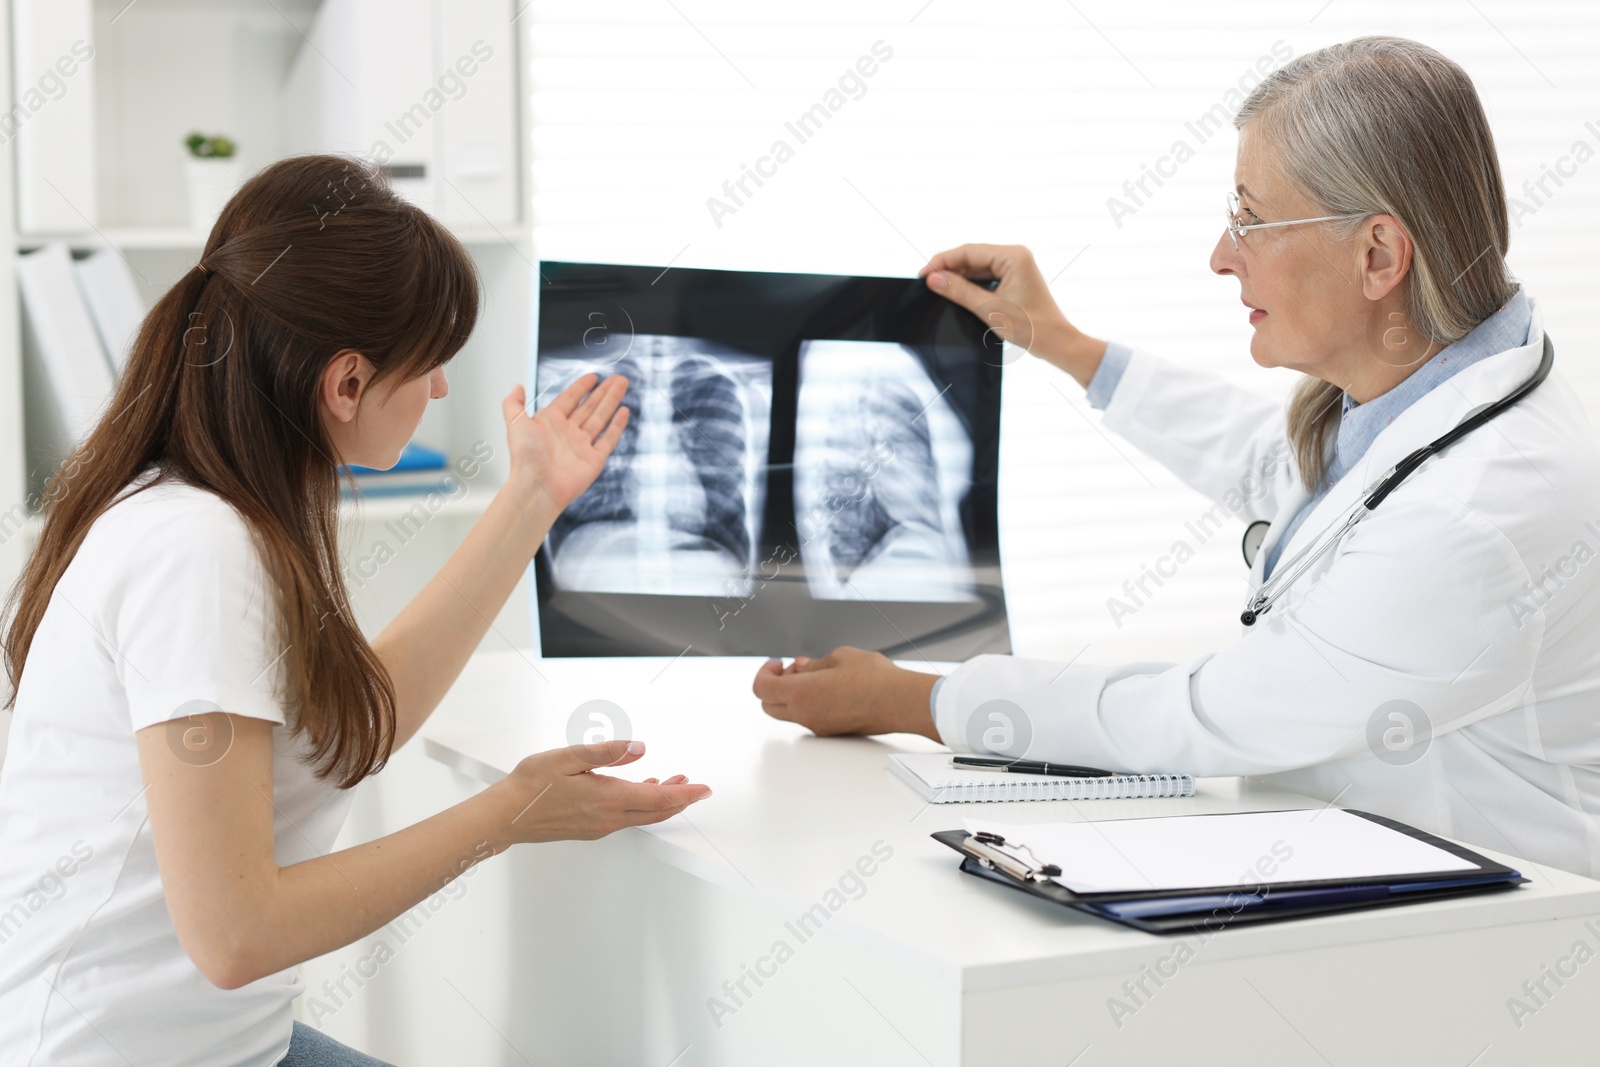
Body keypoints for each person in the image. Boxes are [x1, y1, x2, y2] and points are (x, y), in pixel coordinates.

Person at [753, 36, 1600, 880]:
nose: (1221, 255)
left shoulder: (1475, 511)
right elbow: (1287, 472)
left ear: (1377, 254)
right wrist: (1062, 342)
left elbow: (1210, 715)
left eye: (1252, 220)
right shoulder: (1425, 393)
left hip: (1499, 935)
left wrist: (913, 698)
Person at [0, 155, 710, 1067]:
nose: (443, 389)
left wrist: (533, 494)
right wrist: (507, 812)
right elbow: (236, 936)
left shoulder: (210, 512)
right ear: (344, 383)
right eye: (433, 362)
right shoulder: (197, 551)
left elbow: (353, 725)